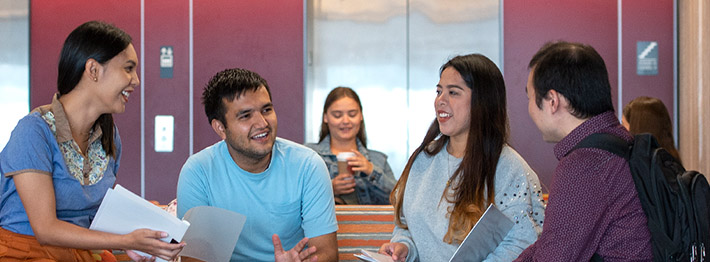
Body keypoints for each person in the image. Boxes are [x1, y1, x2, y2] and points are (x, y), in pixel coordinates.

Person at [0, 21, 184, 261]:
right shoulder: (34, 131)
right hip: (23, 253)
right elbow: (46, 230)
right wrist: (126, 240)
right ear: (93, 70)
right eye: (128, 68)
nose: (136, 81)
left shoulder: (109, 136)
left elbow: (95, 217)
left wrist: (155, 224)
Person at [378, 54, 545, 262]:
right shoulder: (423, 158)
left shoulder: (509, 167)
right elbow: (406, 226)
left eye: (453, 92)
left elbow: (521, 243)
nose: (441, 100)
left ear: (482, 101)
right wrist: (404, 247)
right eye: (439, 91)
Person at [177, 68, 338, 261]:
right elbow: (193, 259)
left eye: (266, 110)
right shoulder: (198, 171)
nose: (262, 123)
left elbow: (326, 254)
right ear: (220, 128)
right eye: (245, 116)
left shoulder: (308, 166)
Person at [515, 41, 653, 261]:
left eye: (529, 97)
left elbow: (553, 258)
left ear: (552, 101)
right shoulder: (620, 141)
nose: (529, 106)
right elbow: (553, 243)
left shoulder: (585, 165)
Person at [305, 87, 396, 205]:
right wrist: (328, 188)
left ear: (361, 116)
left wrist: (371, 171)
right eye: (337, 115)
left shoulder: (378, 159)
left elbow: (400, 200)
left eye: (352, 114)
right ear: (325, 117)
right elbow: (292, 197)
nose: (346, 121)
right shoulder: (309, 155)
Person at [622, 96, 681, 163]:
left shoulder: (633, 168)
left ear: (637, 129)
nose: (620, 129)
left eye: (623, 125)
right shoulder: (673, 165)